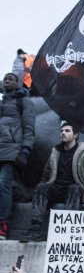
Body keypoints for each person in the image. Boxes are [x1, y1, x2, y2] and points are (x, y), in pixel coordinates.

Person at [20, 121, 84, 242]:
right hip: (56, 188)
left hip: (73, 190)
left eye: (67, 131)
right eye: (61, 131)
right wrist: (41, 189)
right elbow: (46, 175)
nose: (63, 133)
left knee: (73, 188)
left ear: (75, 135)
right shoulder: (55, 153)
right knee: (41, 186)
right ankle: (35, 230)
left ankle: (66, 232)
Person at [0, 73, 35, 240]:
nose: (7, 81)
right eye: (5, 78)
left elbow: (29, 128)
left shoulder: (24, 101)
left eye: (11, 79)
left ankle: (3, 224)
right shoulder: (1, 102)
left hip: (11, 149)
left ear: (18, 83)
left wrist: (25, 150)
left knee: (3, 184)